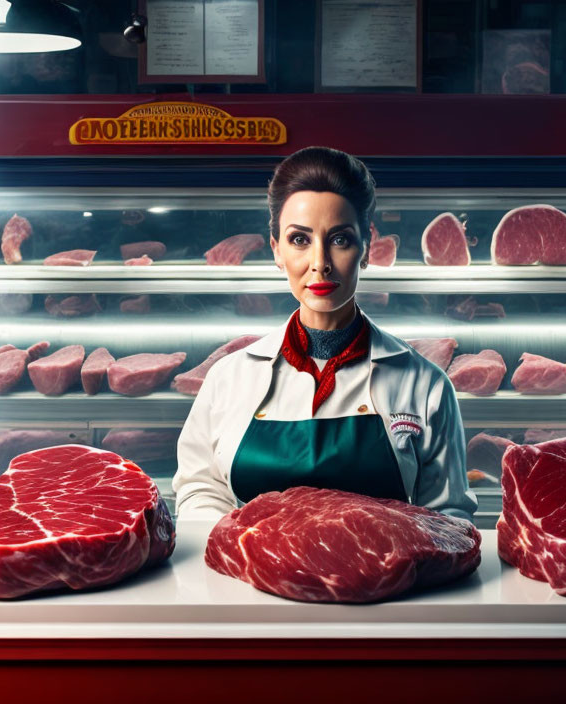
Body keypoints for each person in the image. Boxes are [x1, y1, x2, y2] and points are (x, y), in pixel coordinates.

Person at [173, 146, 477, 523]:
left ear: (366, 248)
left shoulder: (425, 385)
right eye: (300, 240)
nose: (320, 263)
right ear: (276, 251)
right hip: (248, 577)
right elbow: (201, 489)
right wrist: (239, 557)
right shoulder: (228, 378)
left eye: (340, 239)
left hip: (383, 579)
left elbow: (448, 518)